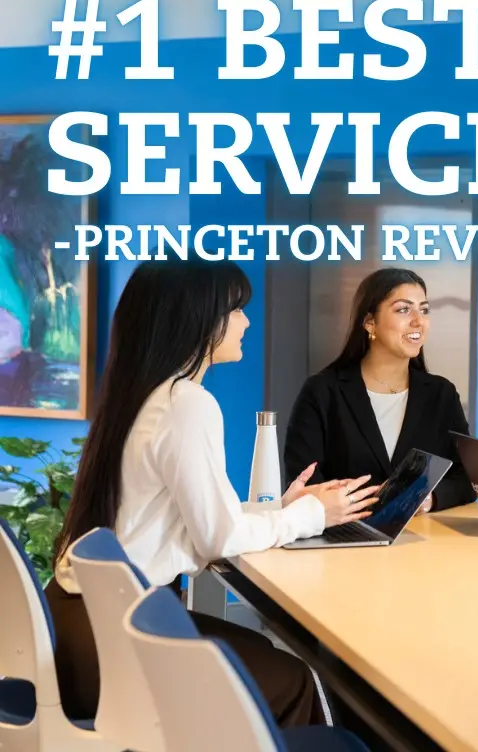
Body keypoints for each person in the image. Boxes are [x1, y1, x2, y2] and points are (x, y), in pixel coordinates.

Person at [45, 259, 378, 726]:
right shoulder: (188, 405)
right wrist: (313, 516)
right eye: (237, 309)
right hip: (115, 640)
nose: (245, 321)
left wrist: (281, 507)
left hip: (77, 629)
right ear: (199, 320)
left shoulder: (145, 396)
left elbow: (180, 512)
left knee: (262, 652)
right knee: (295, 679)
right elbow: (218, 540)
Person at [284, 267, 476, 514]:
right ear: (370, 323)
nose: (418, 321)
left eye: (424, 310)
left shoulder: (441, 394)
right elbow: (302, 482)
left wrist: (428, 498)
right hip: (342, 539)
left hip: (424, 543)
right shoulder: (322, 391)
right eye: (403, 310)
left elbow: (468, 478)